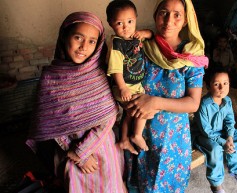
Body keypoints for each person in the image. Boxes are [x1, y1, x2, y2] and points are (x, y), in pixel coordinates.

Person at [26, 12, 126, 193]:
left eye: (92, 41)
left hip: (102, 148)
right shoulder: (50, 77)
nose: (83, 47)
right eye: (78, 37)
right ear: (64, 37)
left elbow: (110, 117)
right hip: (69, 152)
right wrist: (75, 153)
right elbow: (49, 122)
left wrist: (82, 150)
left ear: (98, 44)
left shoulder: (99, 74)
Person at [124, 0, 209, 192]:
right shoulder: (143, 47)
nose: (169, 20)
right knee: (137, 184)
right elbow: (126, 82)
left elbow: (193, 103)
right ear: (155, 15)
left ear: (186, 20)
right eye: (163, 12)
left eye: (177, 14)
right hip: (139, 132)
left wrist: (154, 102)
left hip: (172, 140)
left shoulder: (191, 54)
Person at [106, 0, 153, 154]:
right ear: (111, 23)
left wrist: (144, 33)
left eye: (130, 21)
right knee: (144, 110)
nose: (126, 27)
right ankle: (137, 135)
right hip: (125, 87)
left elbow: (152, 34)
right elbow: (115, 69)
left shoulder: (135, 37)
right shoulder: (117, 44)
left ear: (136, 19)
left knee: (128, 115)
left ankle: (123, 140)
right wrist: (122, 88)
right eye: (119, 23)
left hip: (135, 85)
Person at [193, 67, 237, 193]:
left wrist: (229, 137)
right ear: (208, 86)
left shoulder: (227, 101)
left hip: (221, 131)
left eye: (225, 83)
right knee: (215, 149)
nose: (221, 88)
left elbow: (230, 121)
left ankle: (235, 168)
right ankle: (216, 184)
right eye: (216, 84)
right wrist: (224, 142)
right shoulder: (203, 105)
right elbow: (206, 130)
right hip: (204, 135)